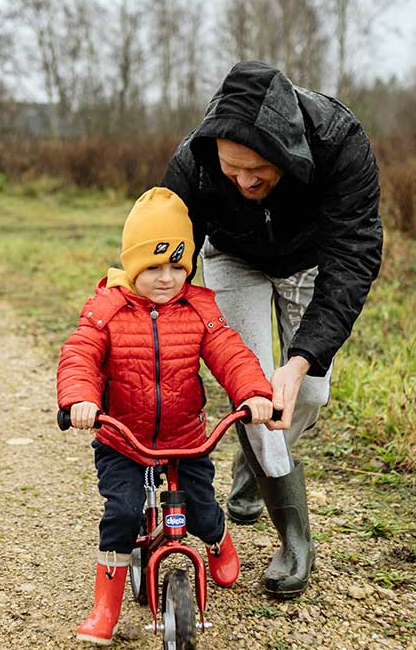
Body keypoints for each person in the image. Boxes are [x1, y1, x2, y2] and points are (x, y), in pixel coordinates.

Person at [161, 60, 383, 598]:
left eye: (257, 170)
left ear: (287, 149)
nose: (243, 181)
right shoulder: (194, 161)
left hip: (308, 259)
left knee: (307, 392)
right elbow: (165, 252)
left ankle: (255, 460)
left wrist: (302, 357)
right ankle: (294, 541)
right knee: (256, 391)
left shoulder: (339, 142)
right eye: (232, 170)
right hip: (234, 258)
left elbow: (353, 256)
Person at [57, 187, 278, 645]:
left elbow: (231, 354)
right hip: (125, 441)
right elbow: (80, 354)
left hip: (185, 438)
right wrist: (80, 399)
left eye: (177, 266)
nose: (165, 278)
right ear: (133, 266)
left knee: (199, 510)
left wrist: (255, 393)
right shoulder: (109, 310)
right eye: (153, 267)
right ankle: (106, 606)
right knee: (121, 513)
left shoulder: (199, 309)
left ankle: (217, 540)